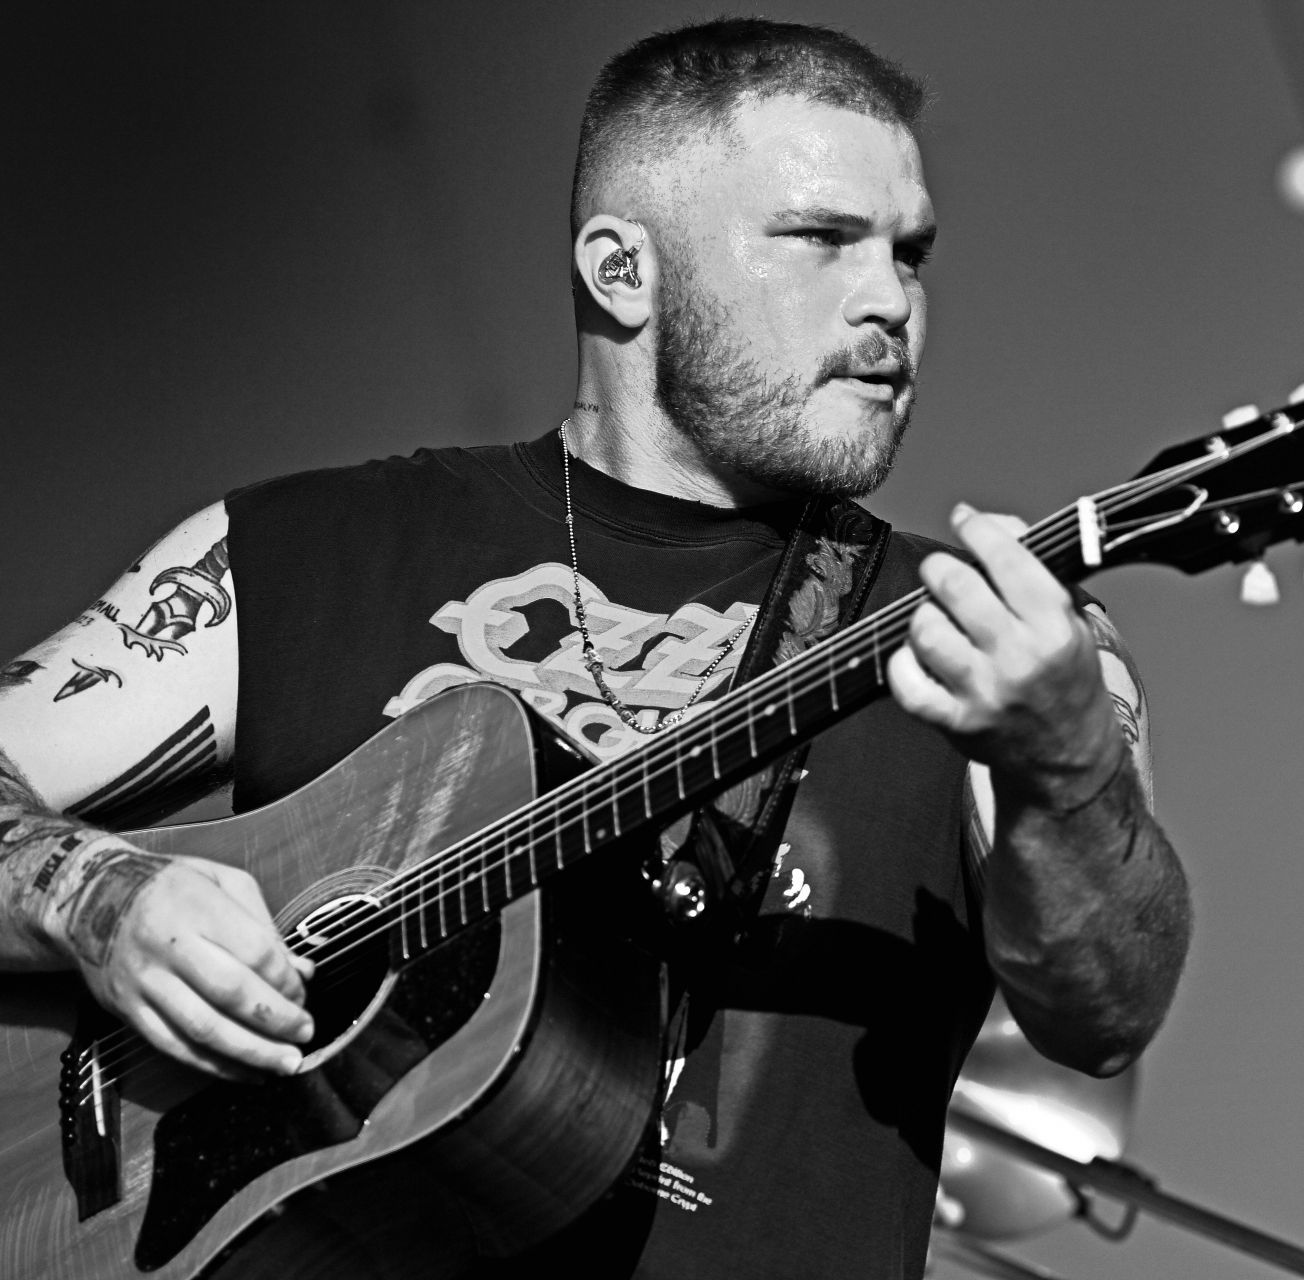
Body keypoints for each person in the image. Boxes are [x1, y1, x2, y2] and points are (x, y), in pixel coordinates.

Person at [0, 18, 1191, 1277]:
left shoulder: (999, 640)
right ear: (623, 270)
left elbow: (1108, 1007)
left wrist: (1065, 764)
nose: (890, 297)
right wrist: (97, 897)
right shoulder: (298, 551)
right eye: (822, 239)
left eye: (911, 252)